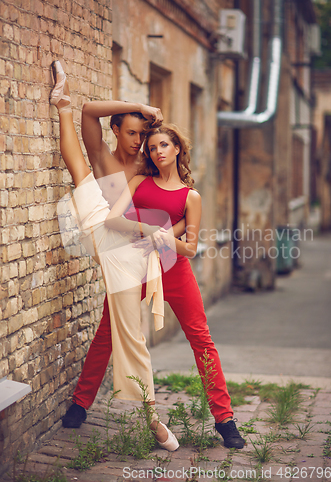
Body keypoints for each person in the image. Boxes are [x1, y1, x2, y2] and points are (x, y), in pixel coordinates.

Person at [51, 60, 245, 449]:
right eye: (142, 138)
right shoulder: (136, 176)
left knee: (201, 338)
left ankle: (225, 419)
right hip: (132, 263)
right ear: (121, 133)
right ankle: (80, 404)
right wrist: (144, 108)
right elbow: (117, 215)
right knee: (108, 332)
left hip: (173, 267)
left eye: (155, 142)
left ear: (173, 150)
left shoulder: (174, 184)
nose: (148, 147)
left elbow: (184, 234)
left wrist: (162, 235)